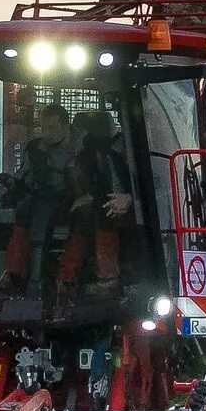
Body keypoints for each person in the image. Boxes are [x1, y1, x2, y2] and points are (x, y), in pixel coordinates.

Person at [0, 102, 74, 292]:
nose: (46, 133)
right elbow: (23, 174)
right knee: (23, 210)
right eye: (43, 128)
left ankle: (37, 280)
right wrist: (10, 182)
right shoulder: (35, 149)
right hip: (37, 197)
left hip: (67, 199)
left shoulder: (79, 149)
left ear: (65, 126)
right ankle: (13, 273)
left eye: (52, 128)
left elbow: (85, 179)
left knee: (39, 212)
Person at [58, 108, 132, 293]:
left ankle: (108, 277)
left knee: (100, 212)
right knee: (83, 215)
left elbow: (155, 186)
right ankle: (65, 279)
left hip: (133, 206)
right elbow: (85, 182)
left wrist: (130, 199)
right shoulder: (85, 152)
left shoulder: (128, 148)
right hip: (100, 202)